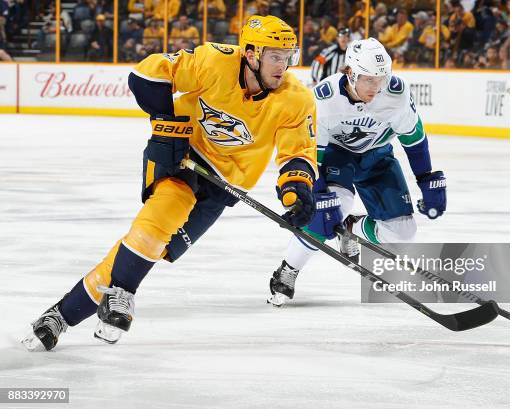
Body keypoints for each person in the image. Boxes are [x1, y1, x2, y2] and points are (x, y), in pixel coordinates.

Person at [22, 15, 317, 352]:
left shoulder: (297, 99)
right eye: (275, 56)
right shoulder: (214, 61)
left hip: (224, 185)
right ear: (251, 54)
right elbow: (147, 73)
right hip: (182, 155)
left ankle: (59, 315)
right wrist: (167, 123)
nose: (284, 65)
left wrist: (296, 191)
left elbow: (298, 152)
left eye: (288, 56)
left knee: (152, 248)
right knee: (160, 220)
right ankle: (120, 295)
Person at [267, 38, 447, 306]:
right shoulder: (323, 99)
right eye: (369, 80)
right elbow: (311, 153)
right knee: (328, 212)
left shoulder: (395, 94)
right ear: (349, 73)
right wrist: (319, 193)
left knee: (403, 232)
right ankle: (288, 269)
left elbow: (414, 139)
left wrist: (426, 178)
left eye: (381, 79)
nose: (376, 88)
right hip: (337, 156)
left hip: (378, 157)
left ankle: (352, 227)